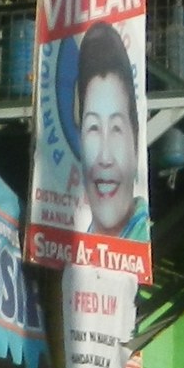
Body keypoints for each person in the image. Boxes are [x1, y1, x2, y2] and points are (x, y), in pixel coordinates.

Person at [73, 22, 140, 235]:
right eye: (93, 127)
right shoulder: (77, 250)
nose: (104, 157)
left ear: (135, 140)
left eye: (116, 129)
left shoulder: (139, 240)